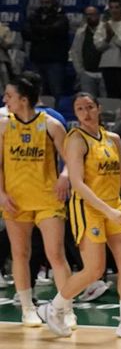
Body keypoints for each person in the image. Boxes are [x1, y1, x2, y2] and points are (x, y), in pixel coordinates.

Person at [33, 94, 121, 340]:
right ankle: (53, 308)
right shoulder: (76, 139)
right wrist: (109, 212)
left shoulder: (113, 139)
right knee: (95, 269)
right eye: (79, 108)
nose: (85, 112)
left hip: (114, 206)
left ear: (98, 109)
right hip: (88, 209)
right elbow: (76, 182)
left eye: (89, 107)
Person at [0, 72, 73, 327]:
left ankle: (65, 308)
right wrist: (1, 194)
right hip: (15, 200)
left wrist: (65, 176)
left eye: (9, 95)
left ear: (23, 99)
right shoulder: (3, 123)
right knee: (20, 254)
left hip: (47, 198)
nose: (5, 99)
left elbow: (70, 161)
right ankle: (27, 308)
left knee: (56, 255)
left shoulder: (51, 124)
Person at [25, 0, 72, 99]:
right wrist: (45, 34)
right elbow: (26, 33)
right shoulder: (34, 15)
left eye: (48, 2)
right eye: (43, 3)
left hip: (55, 60)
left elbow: (56, 30)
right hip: (37, 59)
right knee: (36, 92)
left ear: (54, 2)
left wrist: (38, 31)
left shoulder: (61, 16)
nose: (45, 5)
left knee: (56, 92)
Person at [68, 5, 103, 100]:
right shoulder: (81, 32)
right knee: (88, 102)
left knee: (106, 101)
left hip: (104, 73)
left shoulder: (105, 29)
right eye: (87, 15)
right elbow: (75, 51)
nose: (89, 17)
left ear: (98, 15)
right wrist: (80, 71)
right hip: (87, 73)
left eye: (92, 14)